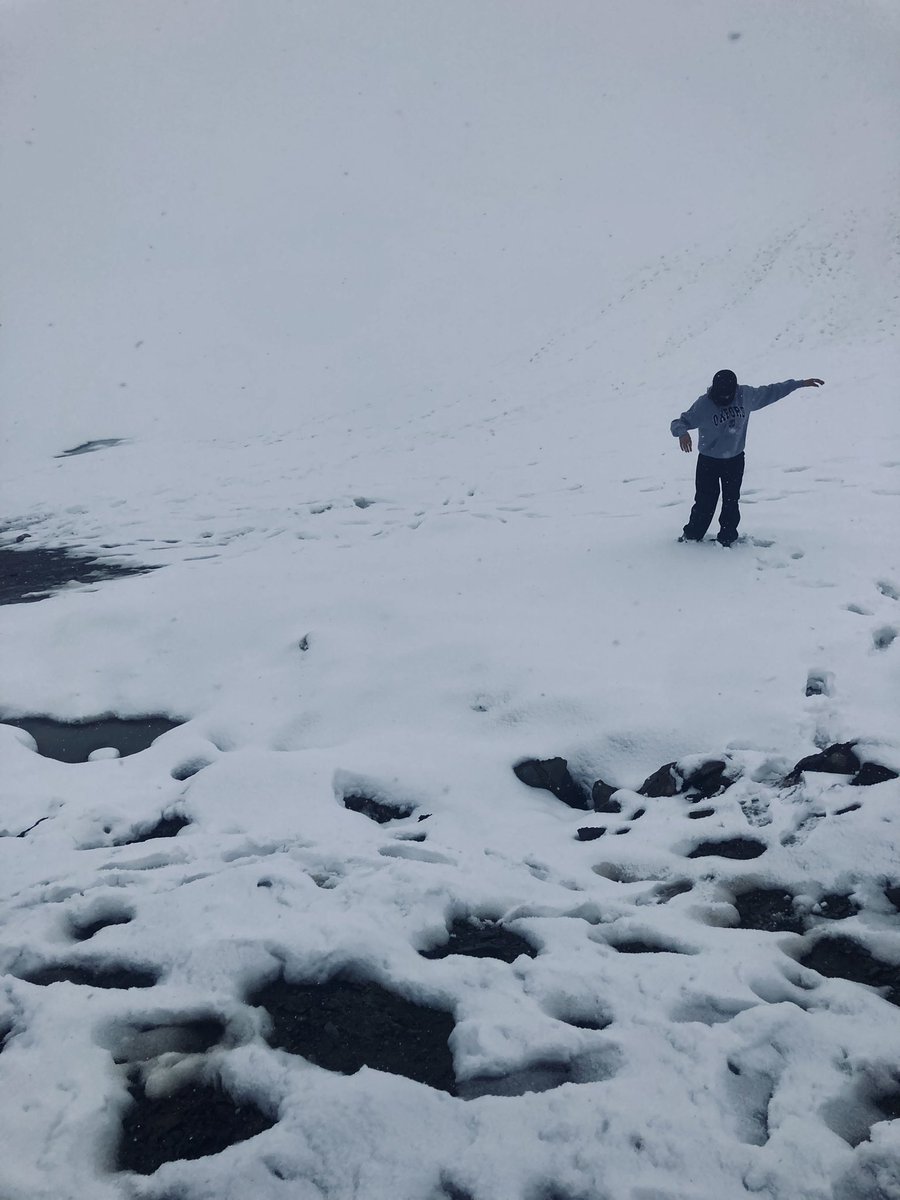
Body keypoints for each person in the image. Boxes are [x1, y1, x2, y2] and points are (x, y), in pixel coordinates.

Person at [670, 369, 824, 546]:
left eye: (728, 395)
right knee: (705, 501)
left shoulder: (745, 395)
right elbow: (679, 422)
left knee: (731, 500)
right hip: (708, 462)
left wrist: (799, 383)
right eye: (721, 395)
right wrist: (682, 433)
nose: (725, 399)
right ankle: (692, 536)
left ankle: (727, 538)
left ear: (734, 390)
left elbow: (772, 391)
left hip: (734, 460)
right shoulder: (704, 404)